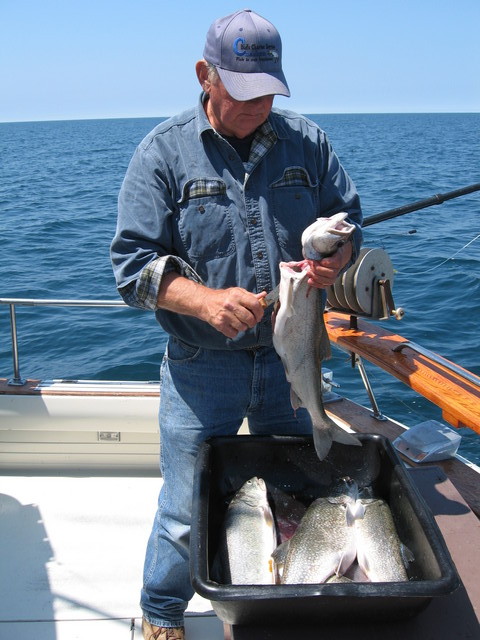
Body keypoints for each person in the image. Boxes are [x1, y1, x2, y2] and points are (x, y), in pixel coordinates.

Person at [111, 9, 362, 640]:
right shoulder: (162, 153)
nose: (258, 107)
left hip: (295, 357)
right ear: (205, 76)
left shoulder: (308, 141)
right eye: (244, 92)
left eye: (268, 93)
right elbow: (131, 268)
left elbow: (348, 223)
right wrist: (204, 302)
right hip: (203, 368)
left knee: (301, 485)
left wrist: (337, 260)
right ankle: (161, 614)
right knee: (182, 512)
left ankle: (294, 595)